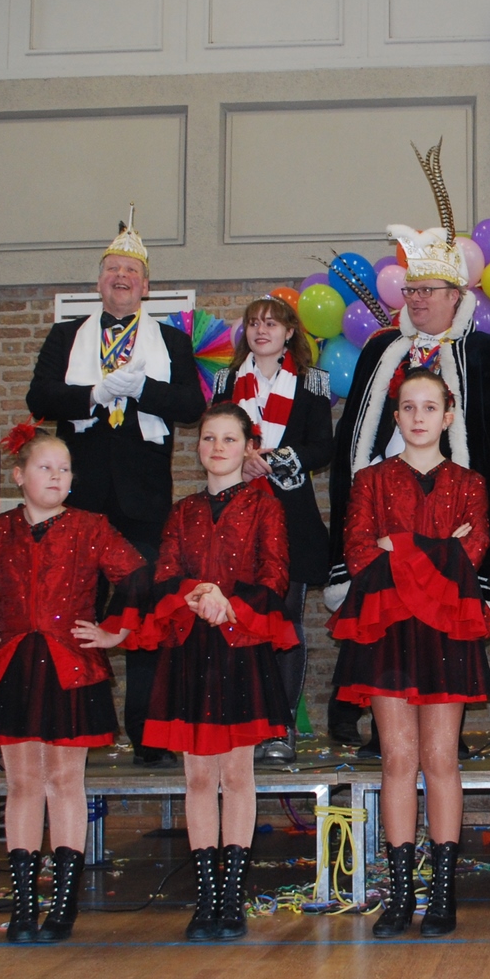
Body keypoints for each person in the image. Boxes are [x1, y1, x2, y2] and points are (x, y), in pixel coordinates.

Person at [0, 429, 146, 943]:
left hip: (71, 667)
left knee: (65, 781)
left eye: (64, 469)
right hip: (15, 668)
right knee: (22, 783)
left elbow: (135, 576)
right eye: (46, 468)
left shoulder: (90, 527)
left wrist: (113, 631)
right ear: (19, 476)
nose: (57, 477)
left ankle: (63, 905)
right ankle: (24, 903)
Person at [326, 182, 490, 754]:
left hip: (452, 503)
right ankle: (373, 726)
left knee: (444, 613)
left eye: (428, 290)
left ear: (456, 294)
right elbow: (354, 433)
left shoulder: (488, 355)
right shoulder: (381, 349)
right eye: (410, 290)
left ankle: (443, 734)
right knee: (382, 613)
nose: (416, 300)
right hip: (385, 499)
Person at [27, 215, 206, 765]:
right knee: (72, 613)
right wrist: (93, 394)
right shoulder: (66, 336)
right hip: (79, 502)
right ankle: (74, 728)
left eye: (131, 270)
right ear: (99, 281)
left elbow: (191, 406)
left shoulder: (171, 341)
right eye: (112, 270)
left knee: (144, 617)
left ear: (146, 285)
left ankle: (148, 738)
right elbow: (39, 398)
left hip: (143, 506)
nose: (121, 277)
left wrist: (143, 388)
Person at [330, 371, 490, 938]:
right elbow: (358, 552)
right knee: (397, 759)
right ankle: (401, 894)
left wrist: (397, 545)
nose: (418, 417)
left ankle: (443, 893)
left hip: (446, 629)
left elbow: (473, 552)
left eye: (429, 407)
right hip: (388, 629)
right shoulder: (370, 480)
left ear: (447, 417)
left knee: (441, 758)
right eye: (408, 407)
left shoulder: (470, 482)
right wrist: (439, 548)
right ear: (396, 416)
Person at [132, 405, 301, 940]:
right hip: (190, 649)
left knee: (237, 775)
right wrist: (198, 594)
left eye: (230, 439)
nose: (218, 447)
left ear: (248, 447)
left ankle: (232, 895)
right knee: (199, 777)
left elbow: (275, 575)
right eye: (209, 438)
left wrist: (228, 603)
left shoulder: (265, 506)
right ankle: (206, 895)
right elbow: (165, 572)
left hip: (240, 646)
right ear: (198, 446)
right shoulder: (182, 511)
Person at [211, 295, 335, 761]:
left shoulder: (312, 381)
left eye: (272, 324)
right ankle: (242, 722)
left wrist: (276, 459)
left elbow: (322, 446)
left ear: (289, 333)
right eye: (253, 324)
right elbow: (213, 438)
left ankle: (281, 728)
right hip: (236, 512)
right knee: (237, 618)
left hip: (291, 516)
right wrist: (241, 459)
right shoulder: (226, 381)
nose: (261, 331)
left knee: (285, 621)